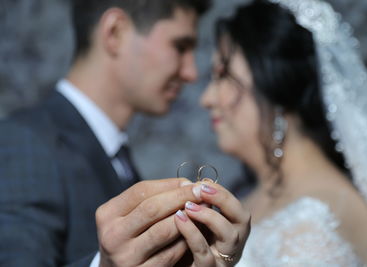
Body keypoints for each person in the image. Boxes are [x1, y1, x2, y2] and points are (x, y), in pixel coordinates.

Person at [0, 0, 251, 266]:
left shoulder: (118, 157)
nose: (191, 72)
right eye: (180, 47)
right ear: (115, 32)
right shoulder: (25, 142)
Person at [200, 0, 367, 265]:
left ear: (273, 81)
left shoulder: (317, 218)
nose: (207, 98)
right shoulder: (249, 198)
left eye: (223, 75)